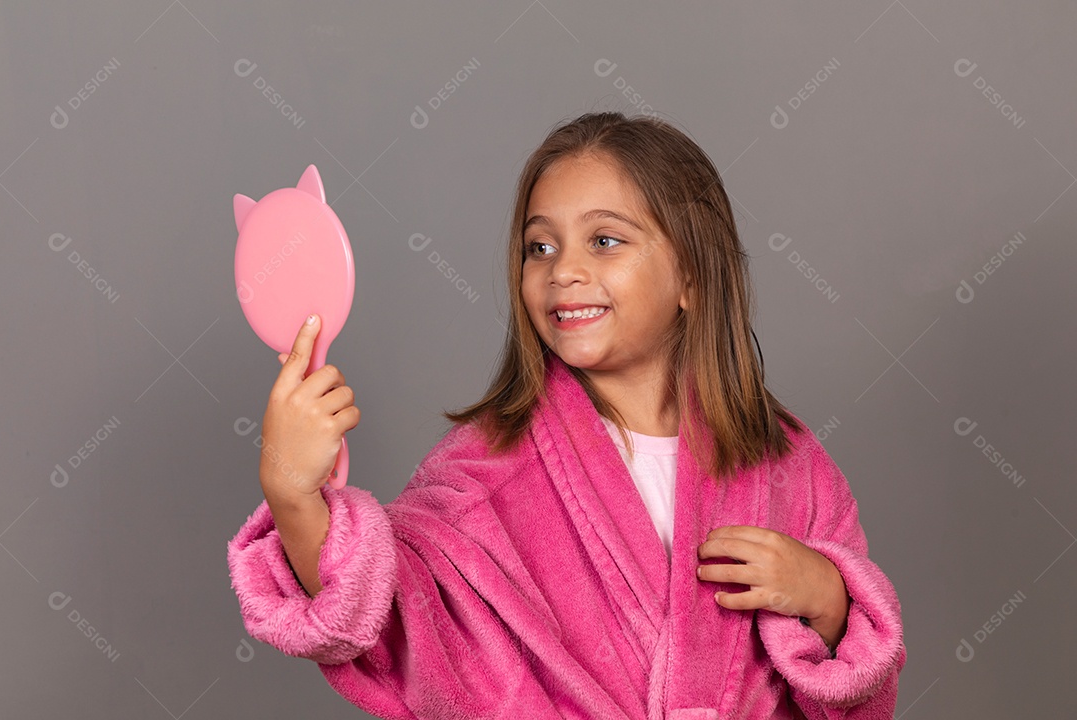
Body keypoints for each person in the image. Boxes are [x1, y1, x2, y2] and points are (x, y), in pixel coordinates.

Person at [228, 111, 906, 719]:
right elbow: (386, 619)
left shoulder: (788, 467)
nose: (562, 271)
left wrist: (828, 598)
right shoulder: (486, 466)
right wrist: (293, 494)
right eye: (540, 247)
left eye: (604, 241)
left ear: (692, 277)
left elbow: (856, 697)